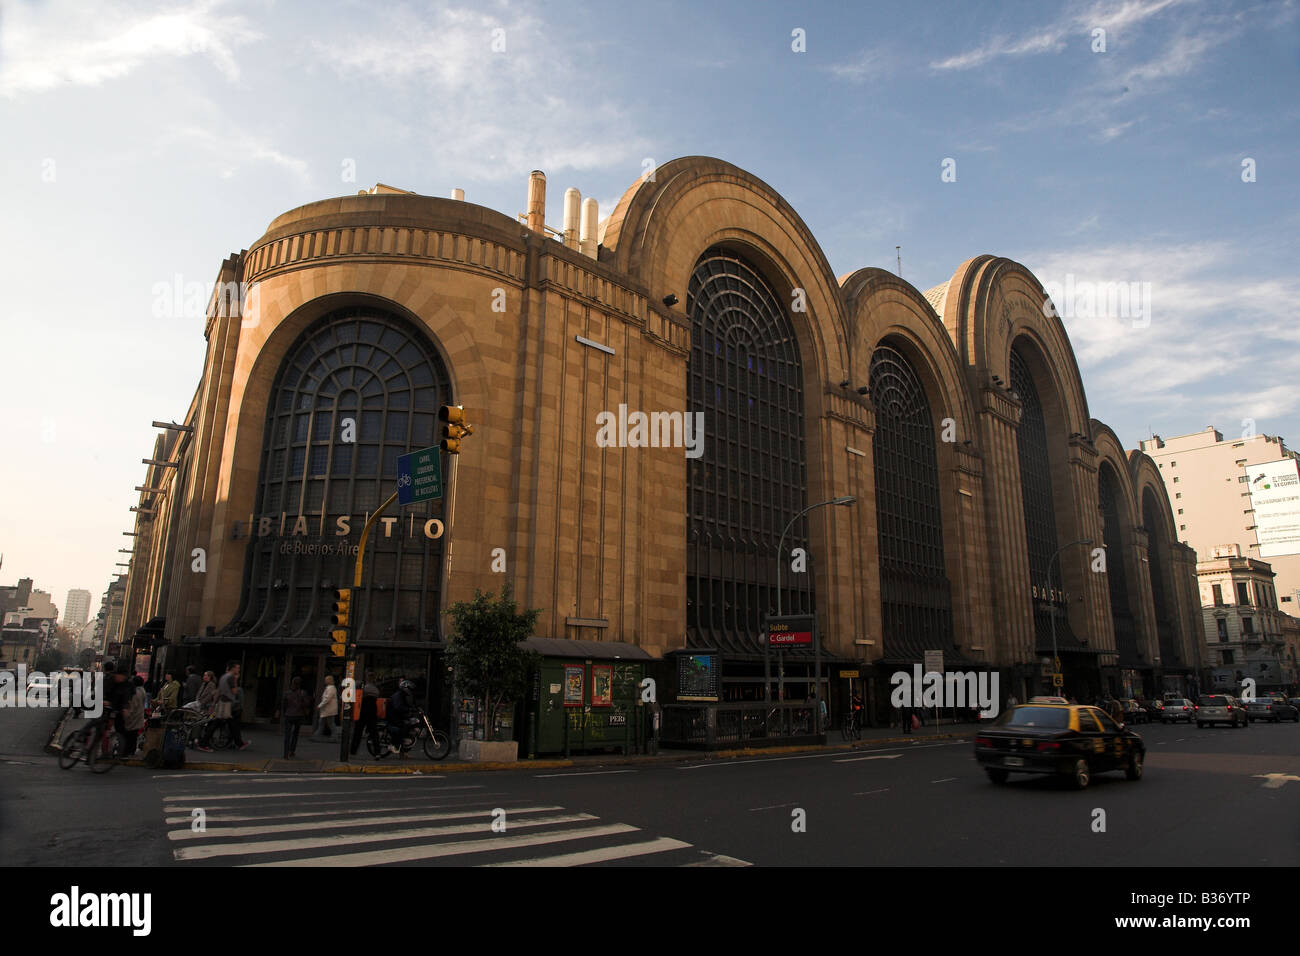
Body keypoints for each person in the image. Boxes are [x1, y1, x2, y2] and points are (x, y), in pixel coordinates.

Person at [351, 673, 381, 756]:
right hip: (372, 710)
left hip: (363, 709)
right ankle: (377, 752)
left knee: (358, 731)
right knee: (374, 732)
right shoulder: (376, 689)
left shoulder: (364, 687)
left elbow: (357, 691)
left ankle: (353, 750)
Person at [282, 676, 311, 758]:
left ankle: (285, 753)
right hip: (298, 715)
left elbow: (284, 705)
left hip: (288, 715)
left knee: (287, 735)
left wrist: (285, 713)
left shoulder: (287, 693)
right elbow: (307, 704)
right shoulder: (302, 693)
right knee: (295, 734)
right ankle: (292, 751)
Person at [386, 679, 416, 755]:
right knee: (402, 726)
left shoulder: (402, 695)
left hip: (396, 715)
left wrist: (413, 709)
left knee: (408, 723)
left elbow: (406, 705)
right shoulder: (398, 695)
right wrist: (408, 709)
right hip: (392, 715)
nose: (410, 691)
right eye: (409, 689)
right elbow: (398, 707)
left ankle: (402, 749)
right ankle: (394, 745)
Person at [123, 676, 148, 754]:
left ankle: (128, 751)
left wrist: (127, 715)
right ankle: (132, 751)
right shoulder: (143, 690)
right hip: (139, 715)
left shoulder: (136, 693)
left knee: (129, 735)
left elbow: (133, 706)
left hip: (134, 716)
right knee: (134, 735)